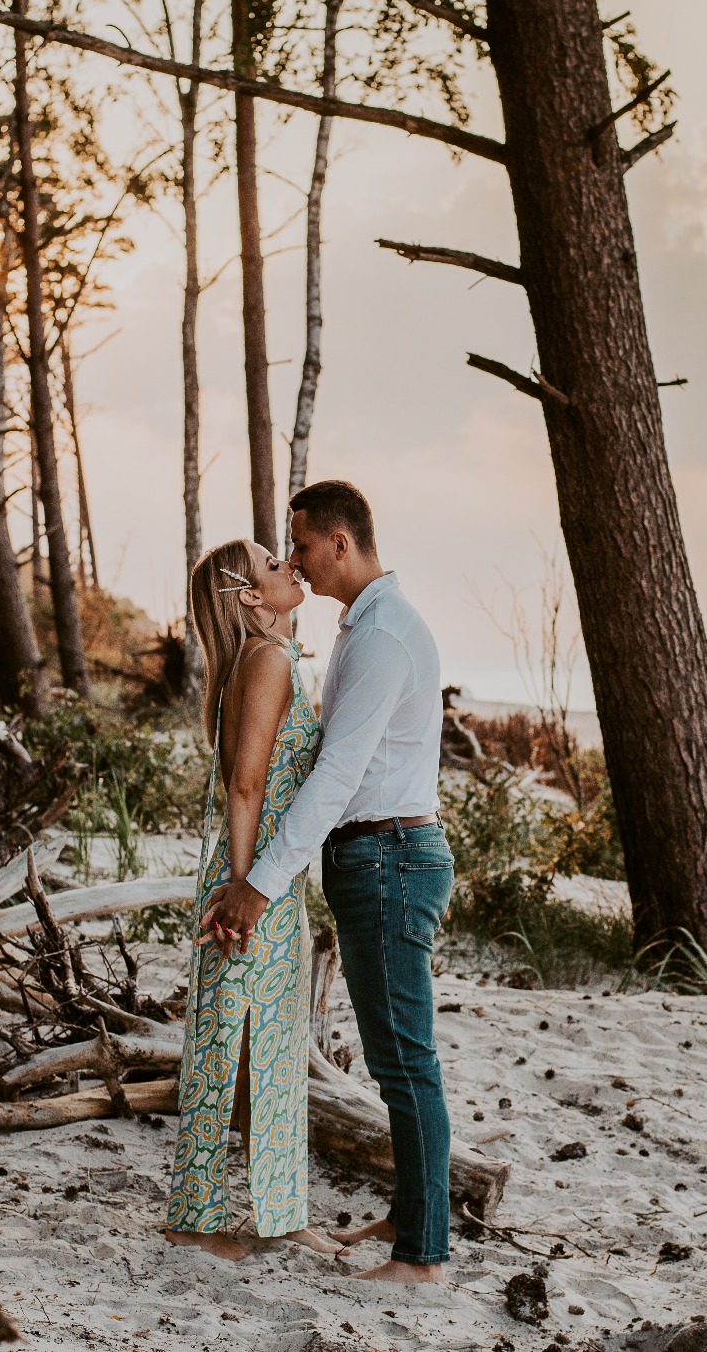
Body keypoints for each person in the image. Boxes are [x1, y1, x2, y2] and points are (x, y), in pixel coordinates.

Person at [203, 480, 453, 1284]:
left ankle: (422, 1254)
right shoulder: (362, 628)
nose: (297, 560)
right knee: (394, 1058)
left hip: (389, 857)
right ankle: (416, 1217)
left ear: (340, 543)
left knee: (405, 1061)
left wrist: (261, 881)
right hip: (374, 857)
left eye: (302, 544)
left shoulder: (381, 638)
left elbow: (339, 771)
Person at [163, 538, 346, 1261]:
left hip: (264, 880)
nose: (290, 567)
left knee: (260, 1046)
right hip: (255, 882)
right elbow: (246, 785)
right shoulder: (266, 662)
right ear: (248, 596)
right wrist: (247, 889)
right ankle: (201, 1220)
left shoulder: (264, 660)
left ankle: (274, 1212)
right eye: (274, 565)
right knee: (234, 1047)